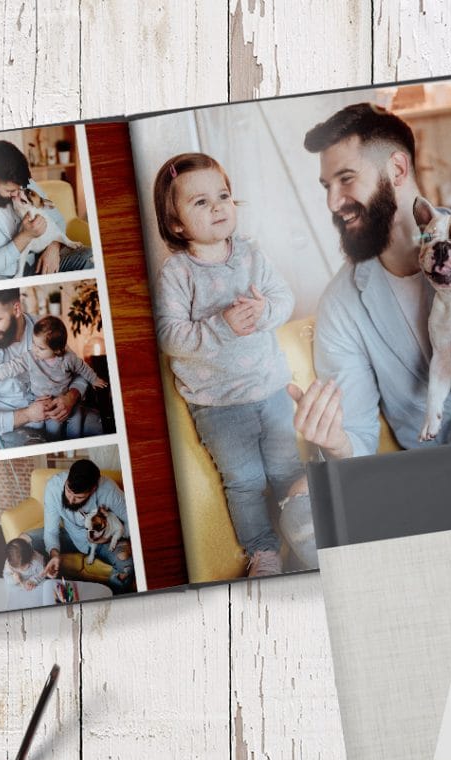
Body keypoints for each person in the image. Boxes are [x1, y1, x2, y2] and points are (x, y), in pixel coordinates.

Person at [288, 102, 451, 459]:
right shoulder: (340, 307)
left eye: (346, 179)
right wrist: (335, 442)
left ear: (397, 168)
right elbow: (356, 441)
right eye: (327, 186)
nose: (333, 202)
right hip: (449, 474)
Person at [151, 151, 313, 578]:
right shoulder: (178, 273)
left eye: (222, 195)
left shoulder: (251, 255)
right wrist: (221, 327)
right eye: (200, 202)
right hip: (219, 403)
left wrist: (266, 312)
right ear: (177, 223)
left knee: (286, 469)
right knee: (244, 480)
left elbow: (284, 298)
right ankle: (263, 551)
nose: (218, 206)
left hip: (271, 388)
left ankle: (308, 535)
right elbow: (170, 336)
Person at [0, 289, 102, 448]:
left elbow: (75, 367)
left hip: (60, 409)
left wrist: (71, 396)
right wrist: (28, 415)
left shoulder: (44, 329)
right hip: (19, 427)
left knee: (101, 425)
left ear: (16, 309)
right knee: (37, 444)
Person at [0, 139, 94, 281]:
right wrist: (26, 235)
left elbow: (57, 220)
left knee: (90, 255)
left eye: (20, 189)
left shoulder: (21, 182)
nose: (17, 194)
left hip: (38, 259)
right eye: (10, 191)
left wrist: (53, 247)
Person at [28, 459, 135, 594]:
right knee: (26, 540)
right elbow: (51, 531)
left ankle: (109, 600)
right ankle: (41, 589)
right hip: (70, 533)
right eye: (68, 491)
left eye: (78, 497)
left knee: (127, 567)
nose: (71, 500)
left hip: (104, 540)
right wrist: (54, 554)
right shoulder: (54, 486)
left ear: (93, 489)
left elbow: (133, 519)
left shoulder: (109, 490)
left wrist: (110, 537)